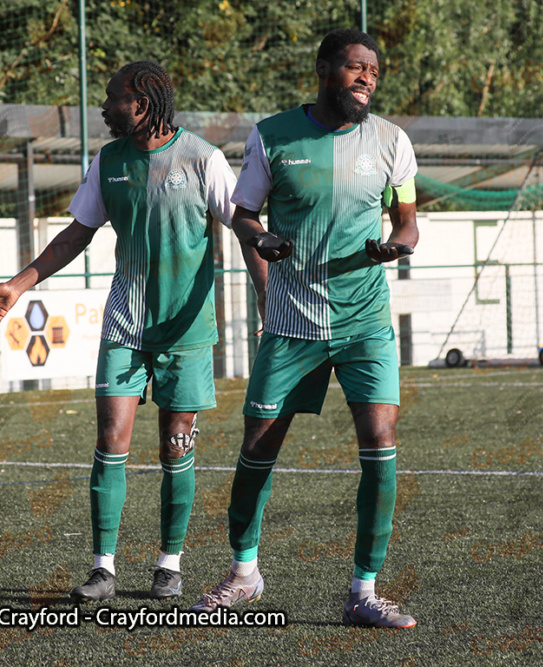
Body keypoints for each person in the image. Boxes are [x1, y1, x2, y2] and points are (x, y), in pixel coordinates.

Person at [0, 61, 262, 602]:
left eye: (112, 98)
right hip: (125, 326)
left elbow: (247, 229)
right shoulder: (107, 161)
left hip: (186, 331)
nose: (103, 108)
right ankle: (103, 568)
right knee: (110, 442)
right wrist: (18, 285)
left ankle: (169, 564)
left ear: (143, 101)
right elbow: (75, 234)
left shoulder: (203, 159)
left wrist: (271, 300)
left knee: (177, 450)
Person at [190, 29, 419, 628]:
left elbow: (409, 224)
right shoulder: (272, 136)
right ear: (323, 69)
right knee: (257, 449)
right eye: (355, 67)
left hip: (365, 320)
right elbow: (243, 213)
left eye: (374, 69)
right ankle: (244, 575)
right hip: (292, 324)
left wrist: (395, 247)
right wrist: (258, 236)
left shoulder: (392, 141)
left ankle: (364, 591)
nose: (367, 77)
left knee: (380, 449)